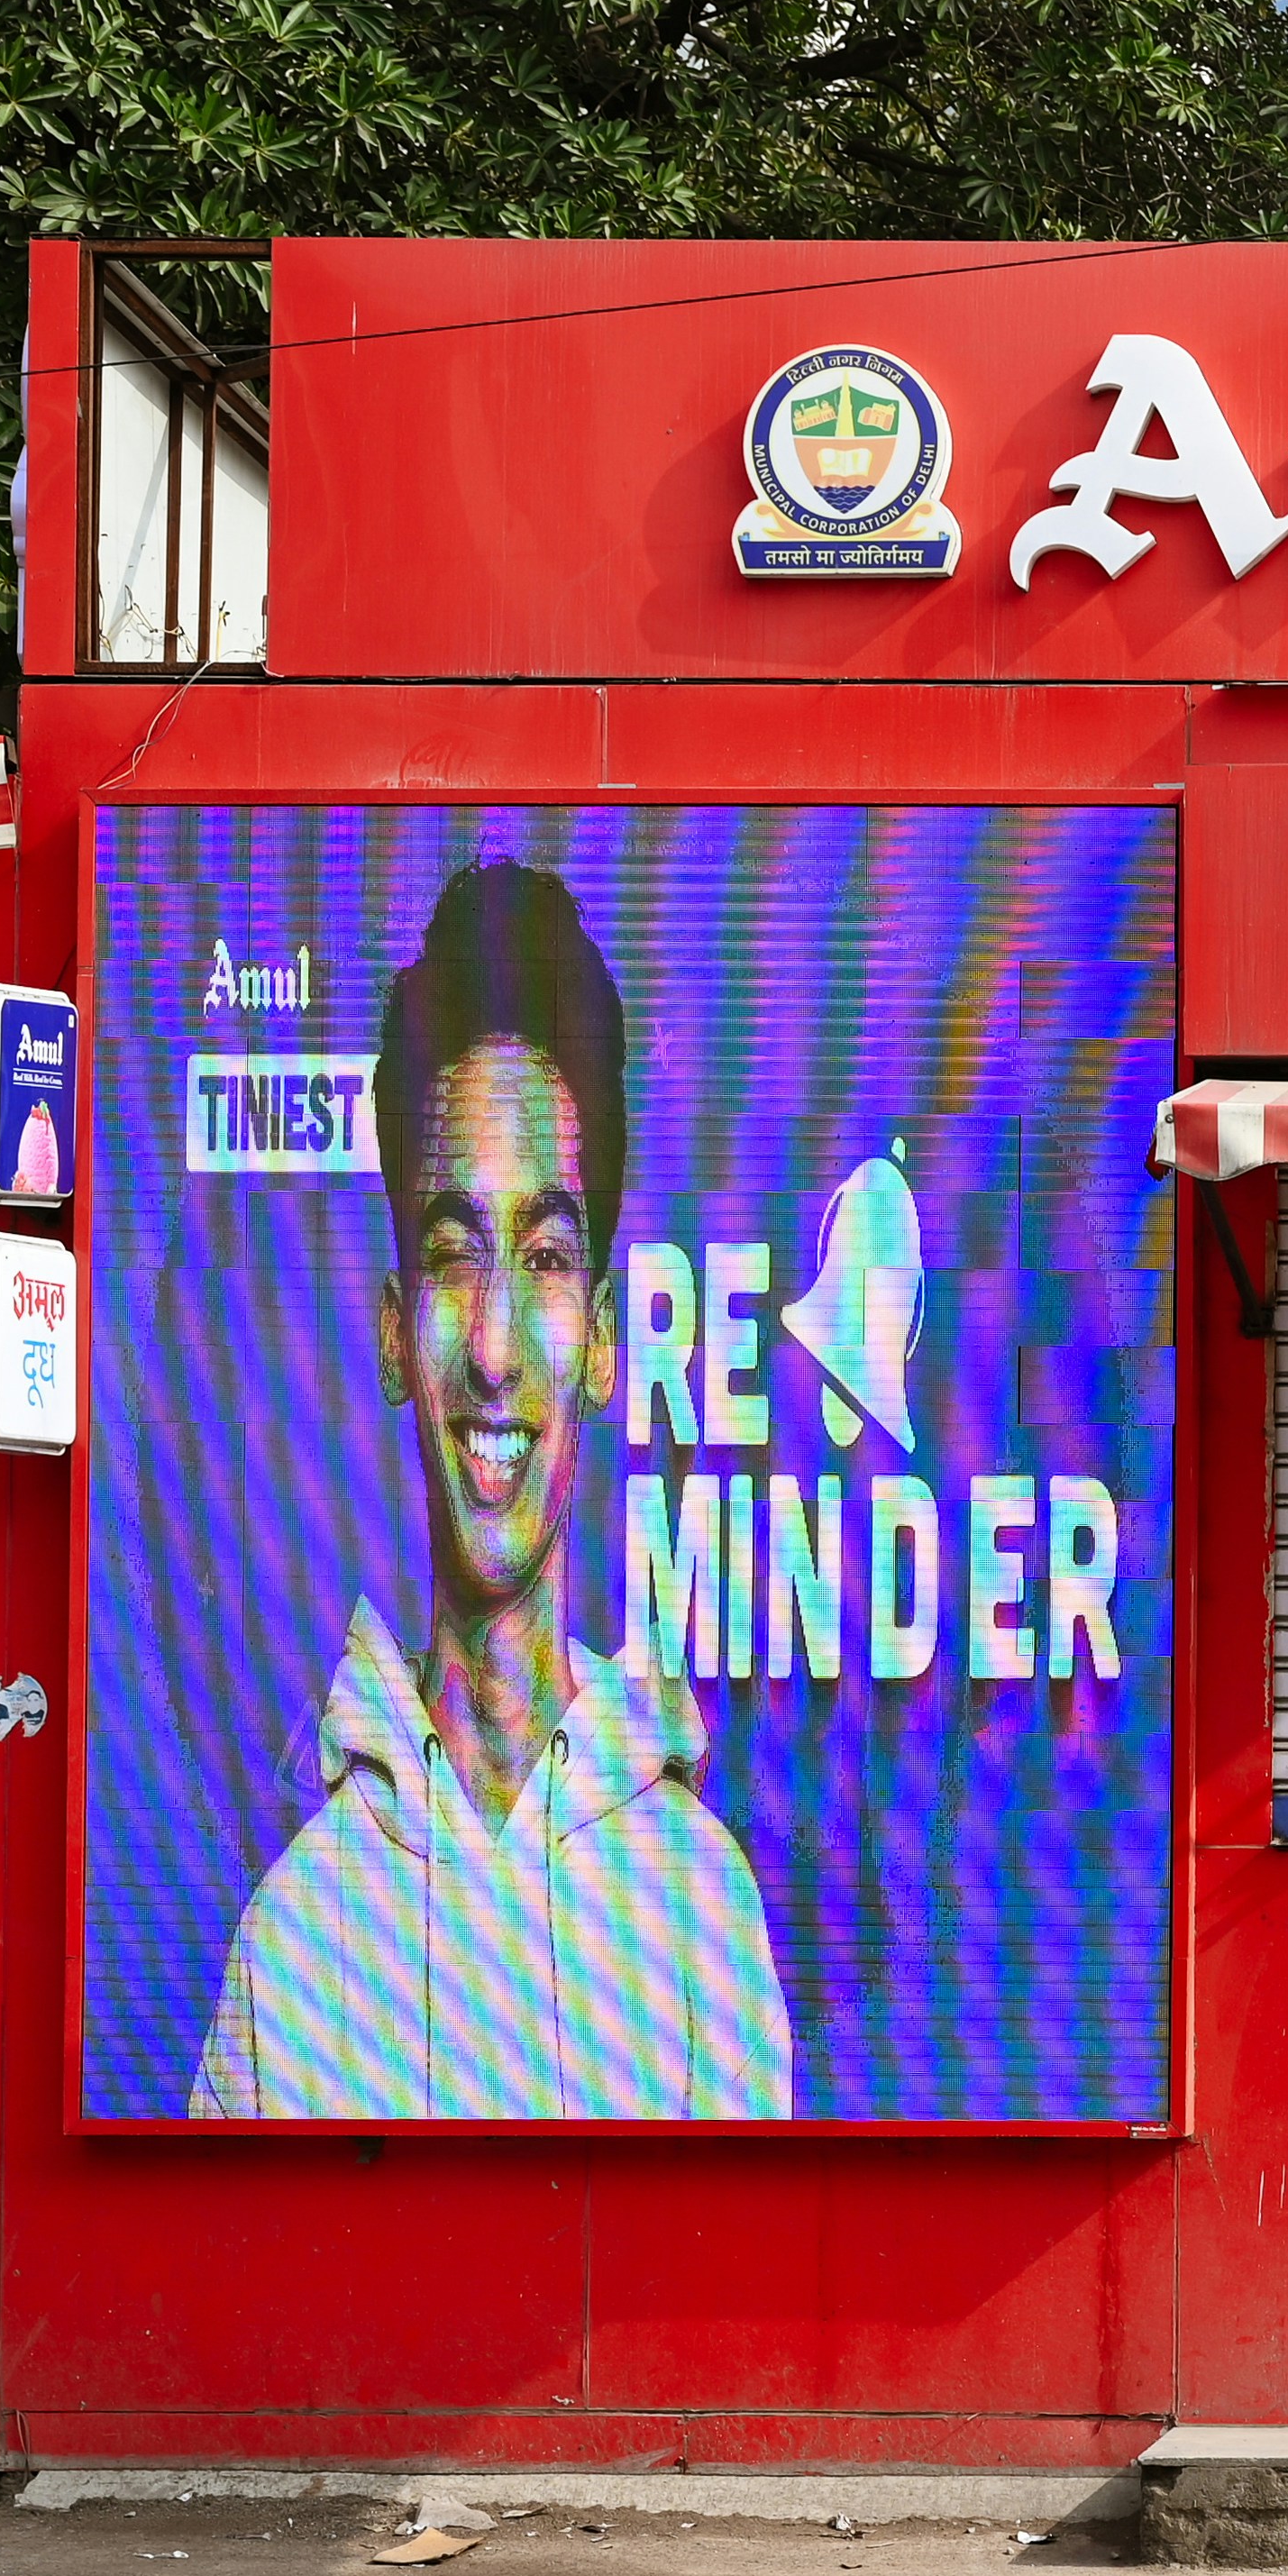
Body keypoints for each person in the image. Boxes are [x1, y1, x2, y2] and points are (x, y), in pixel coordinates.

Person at [189, 859, 792, 2119]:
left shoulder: (702, 1914)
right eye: (458, 1257)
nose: (499, 1350)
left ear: (609, 1341)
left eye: (549, 1257)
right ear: (396, 1333)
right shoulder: (293, 1936)